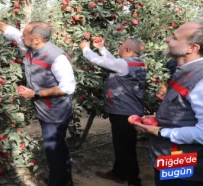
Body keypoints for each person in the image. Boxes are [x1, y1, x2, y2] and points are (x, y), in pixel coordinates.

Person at [0, 20, 76, 186]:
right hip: (45, 109)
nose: (21, 37)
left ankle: (57, 182)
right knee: (59, 147)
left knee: (53, 151)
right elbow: (10, 31)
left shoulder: (57, 57)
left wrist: (35, 93)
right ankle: (65, 180)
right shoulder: (30, 45)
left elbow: (68, 87)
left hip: (56, 113)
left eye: (25, 35)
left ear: (36, 39)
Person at [134, 20, 203, 186]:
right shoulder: (184, 72)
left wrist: (161, 131)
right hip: (172, 160)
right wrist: (162, 118)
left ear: (191, 48)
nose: (166, 39)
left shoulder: (200, 80)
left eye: (174, 37)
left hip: (184, 164)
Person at [79, 38, 147, 186]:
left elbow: (100, 61)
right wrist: (102, 48)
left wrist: (86, 49)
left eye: (121, 45)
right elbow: (114, 63)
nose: (119, 46)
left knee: (126, 148)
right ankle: (118, 173)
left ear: (127, 50)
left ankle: (134, 181)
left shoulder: (123, 65)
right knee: (122, 145)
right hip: (130, 110)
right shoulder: (139, 63)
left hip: (123, 113)